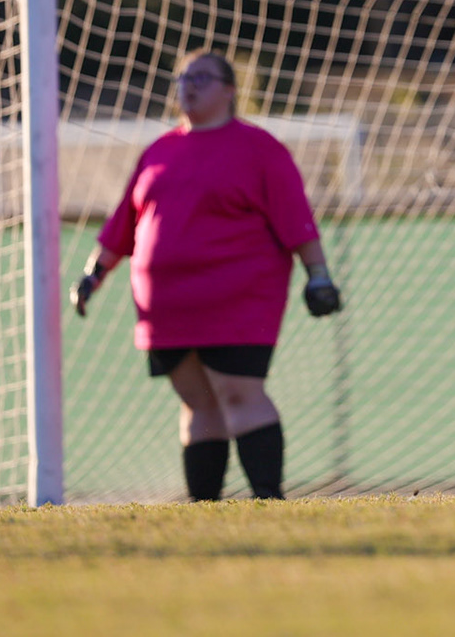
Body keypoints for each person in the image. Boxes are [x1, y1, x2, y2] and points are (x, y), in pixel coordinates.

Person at [69, 50, 342, 501]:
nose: (188, 86)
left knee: (239, 394)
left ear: (230, 90)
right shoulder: (159, 150)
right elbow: (123, 226)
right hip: (167, 308)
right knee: (197, 401)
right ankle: (204, 510)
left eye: (201, 78)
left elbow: (296, 220)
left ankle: (268, 502)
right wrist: (92, 276)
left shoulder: (260, 149)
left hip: (237, 299)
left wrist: (319, 276)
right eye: (183, 78)